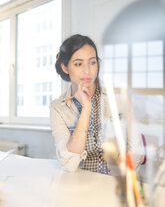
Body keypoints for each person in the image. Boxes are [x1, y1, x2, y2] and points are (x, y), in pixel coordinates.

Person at [49, 34, 144, 175]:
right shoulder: (58, 108)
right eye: (78, 64)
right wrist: (86, 109)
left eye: (92, 62)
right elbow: (69, 163)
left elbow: (136, 150)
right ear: (65, 67)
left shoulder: (119, 99)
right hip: (78, 182)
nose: (87, 70)